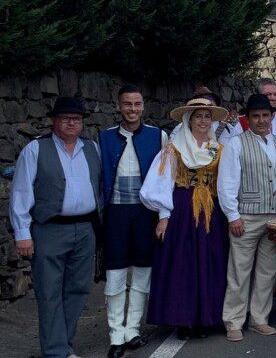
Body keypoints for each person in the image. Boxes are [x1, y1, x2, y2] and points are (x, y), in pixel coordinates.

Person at [11, 97, 103, 358]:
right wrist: (22, 234)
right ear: (54, 121)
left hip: (85, 229)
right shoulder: (36, 150)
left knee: (78, 289)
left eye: (77, 119)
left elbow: (99, 190)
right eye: (66, 118)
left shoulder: (92, 149)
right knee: (49, 291)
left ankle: (64, 346)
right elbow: (20, 193)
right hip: (50, 229)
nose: (72, 123)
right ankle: (56, 352)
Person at [140, 97, 230, 338]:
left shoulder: (218, 149)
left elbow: (225, 184)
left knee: (210, 263)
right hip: (182, 210)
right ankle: (183, 320)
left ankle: (205, 318)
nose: (203, 120)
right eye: (198, 116)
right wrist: (163, 216)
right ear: (189, 120)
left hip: (212, 212)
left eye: (207, 116)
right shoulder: (174, 148)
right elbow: (161, 183)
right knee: (183, 264)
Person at [216, 94, 276, 342]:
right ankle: (234, 321)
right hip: (246, 216)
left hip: (275, 215)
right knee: (239, 271)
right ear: (247, 119)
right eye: (256, 116)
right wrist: (232, 216)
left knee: (267, 272)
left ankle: (259, 319)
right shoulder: (236, 144)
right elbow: (226, 182)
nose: (261, 120)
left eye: (265, 116)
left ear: (272, 117)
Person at [98, 86, 165, 357]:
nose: (133, 109)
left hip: (144, 213)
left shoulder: (158, 136)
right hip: (115, 213)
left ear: (143, 107)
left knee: (142, 270)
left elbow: (165, 179)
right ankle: (115, 333)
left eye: (137, 104)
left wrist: (163, 215)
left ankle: (133, 330)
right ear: (118, 106)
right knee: (114, 273)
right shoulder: (102, 138)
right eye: (128, 104)